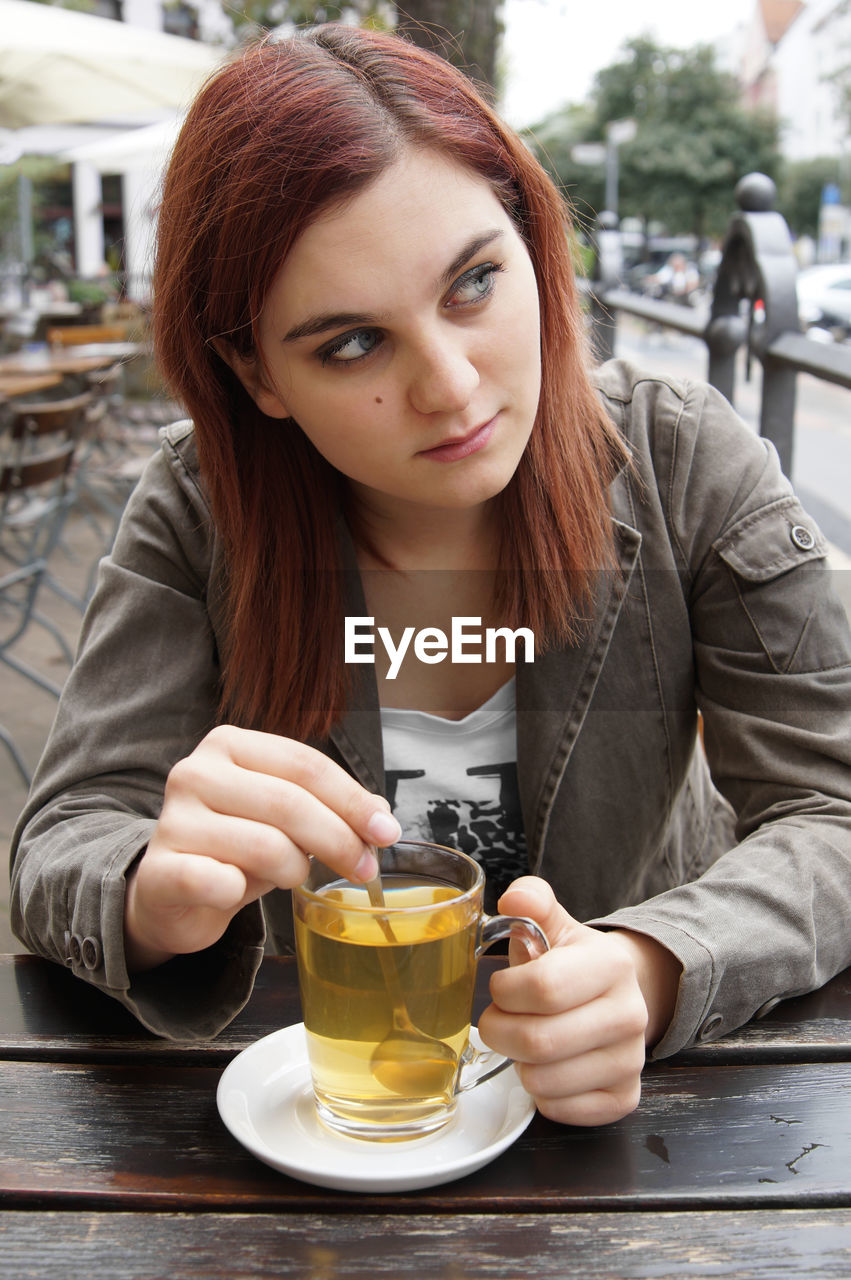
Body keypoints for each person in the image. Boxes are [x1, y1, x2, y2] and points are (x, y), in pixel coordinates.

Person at [10, 23, 851, 1129]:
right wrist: (152, 892)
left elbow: (828, 803)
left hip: (644, 1128)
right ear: (255, 372)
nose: (450, 387)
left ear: (530, 234)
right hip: (326, 1116)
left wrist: (653, 962)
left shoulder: (681, 459)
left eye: (472, 282)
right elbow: (62, 841)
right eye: (350, 344)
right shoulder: (197, 510)